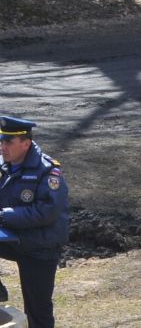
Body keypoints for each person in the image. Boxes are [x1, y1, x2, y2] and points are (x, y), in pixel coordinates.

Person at [0, 115, 67, 328]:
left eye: (8, 142)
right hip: (14, 239)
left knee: (38, 310)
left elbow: (46, 211)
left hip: (40, 247)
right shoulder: (4, 165)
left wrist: (4, 215)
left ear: (26, 143)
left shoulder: (48, 172)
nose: (2, 146)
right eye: (1, 140)